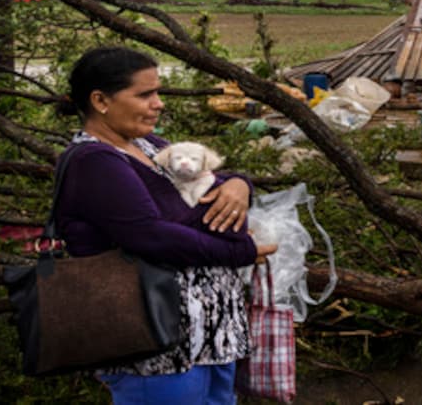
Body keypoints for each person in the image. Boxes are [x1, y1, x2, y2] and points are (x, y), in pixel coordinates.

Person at [54, 46, 277, 404]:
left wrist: (240, 184)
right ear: (100, 100)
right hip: (155, 345)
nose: (158, 103)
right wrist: (242, 251)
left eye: (157, 92)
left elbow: (208, 183)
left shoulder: (147, 144)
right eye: (145, 94)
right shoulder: (93, 162)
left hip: (209, 335)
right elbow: (152, 237)